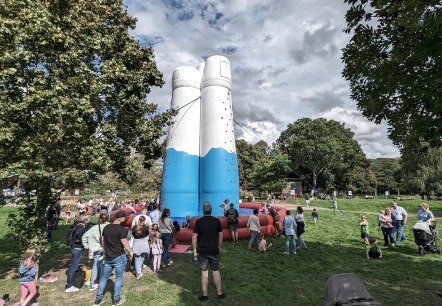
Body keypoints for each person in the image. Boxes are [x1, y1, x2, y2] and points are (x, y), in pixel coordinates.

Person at [94, 210, 132, 306]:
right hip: (119, 256)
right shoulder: (121, 229)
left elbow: (102, 240)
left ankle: (98, 300)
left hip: (107, 257)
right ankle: (116, 300)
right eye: (124, 218)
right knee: (118, 278)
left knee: (103, 278)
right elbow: (124, 242)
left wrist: (104, 251)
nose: (125, 219)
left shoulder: (106, 227)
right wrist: (130, 251)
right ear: (120, 218)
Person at [192, 202, 225, 303]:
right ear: (211, 210)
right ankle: (219, 294)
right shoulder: (216, 221)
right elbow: (221, 235)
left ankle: (205, 296)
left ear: (203, 211)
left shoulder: (198, 222)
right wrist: (219, 246)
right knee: (216, 271)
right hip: (214, 250)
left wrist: (194, 250)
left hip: (202, 251)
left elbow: (194, 237)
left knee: (204, 273)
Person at [82, 214, 109, 290]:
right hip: (105, 248)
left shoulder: (94, 228)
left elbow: (84, 236)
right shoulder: (109, 226)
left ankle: (93, 282)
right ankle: (101, 280)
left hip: (95, 249)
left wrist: (87, 246)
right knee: (104, 264)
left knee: (95, 265)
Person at [65, 214, 89, 292]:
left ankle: (70, 281)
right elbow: (79, 235)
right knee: (73, 266)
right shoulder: (81, 227)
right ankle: (69, 285)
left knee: (73, 265)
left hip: (74, 247)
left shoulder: (76, 225)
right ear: (85, 220)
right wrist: (83, 242)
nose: (88, 221)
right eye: (87, 219)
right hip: (77, 248)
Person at [131, 216, 149, 280]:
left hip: (137, 243)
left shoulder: (134, 227)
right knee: (142, 257)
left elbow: (133, 234)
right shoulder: (146, 227)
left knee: (137, 258)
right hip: (144, 243)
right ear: (144, 221)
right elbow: (147, 233)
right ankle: (138, 272)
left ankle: (138, 272)